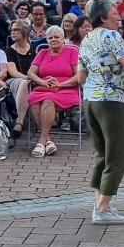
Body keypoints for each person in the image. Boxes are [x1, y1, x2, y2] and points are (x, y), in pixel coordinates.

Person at [75, 0, 124, 223]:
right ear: (103, 17)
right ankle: (101, 210)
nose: (119, 16)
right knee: (118, 155)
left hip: (90, 99)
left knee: (102, 153)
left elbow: (81, 77)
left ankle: (101, 204)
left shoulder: (86, 39)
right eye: (114, 13)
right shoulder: (111, 36)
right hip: (111, 100)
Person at [26, 26, 79, 156]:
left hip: (66, 89)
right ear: (47, 40)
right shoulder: (42, 53)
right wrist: (42, 82)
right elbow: (30, 74)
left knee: (48, 101)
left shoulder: (72, 51)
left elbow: (78, 76)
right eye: (50, 38)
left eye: (57, 37)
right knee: (33, 100)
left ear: (63, 39)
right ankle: (47, 141)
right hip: (44, 87)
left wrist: (61, 84)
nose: (53, 40)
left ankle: (42, 140)